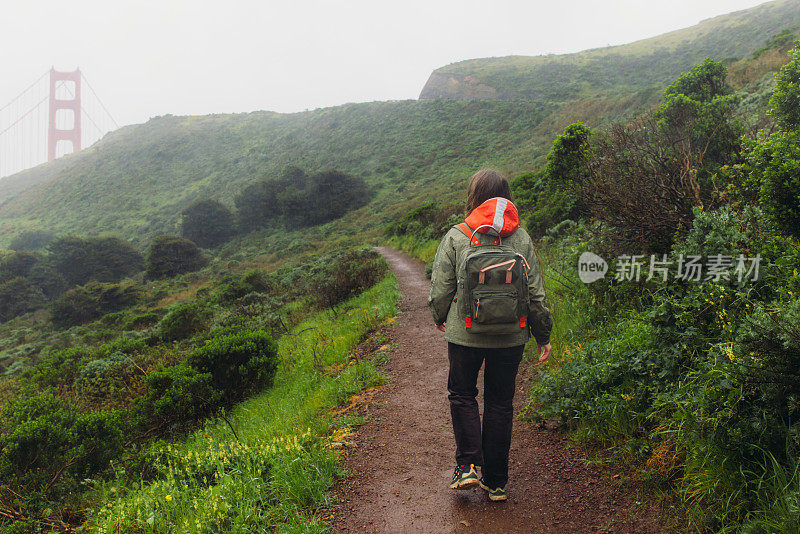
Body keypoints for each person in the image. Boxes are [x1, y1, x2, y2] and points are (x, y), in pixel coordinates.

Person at [428, 169, 553, 502]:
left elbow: (440, 287)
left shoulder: (458, 235)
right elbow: (536, 292)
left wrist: (440, 316)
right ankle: (496, 481)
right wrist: (542, 335)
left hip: (465, 333)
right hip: (512, 336)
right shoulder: (521, 238)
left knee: (462, 394)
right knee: (500, 403)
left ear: (474, 195)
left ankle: (467, 465)